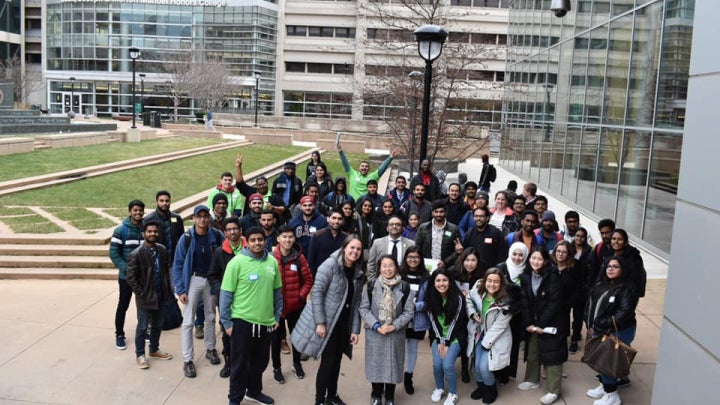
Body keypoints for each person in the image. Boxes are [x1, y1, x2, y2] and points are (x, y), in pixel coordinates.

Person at [291, 236, 365, 405]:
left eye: (358, 249)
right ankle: (319, 401)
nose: (354, 252)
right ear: (344, 248)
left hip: (343, 324)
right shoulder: (330, 265)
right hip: (328, 323)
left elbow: (356, 303)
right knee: (328, 362)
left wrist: (355, 329)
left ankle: (332, 396)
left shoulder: (358, 271)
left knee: (337, 361)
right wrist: (320, 322)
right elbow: (316, 293)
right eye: (352, 248)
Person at [219, 227, 282, 405]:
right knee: (239, 364)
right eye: (253, 240)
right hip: (242, 322)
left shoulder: (272, 262)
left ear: (265, 241)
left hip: (266, 322)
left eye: (260, 240)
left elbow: (277, 291)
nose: (257, 243)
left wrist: (277, 316)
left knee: (260, 361)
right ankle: (235, 399)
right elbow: (225, 294)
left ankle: (254, 392)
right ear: (248, 241)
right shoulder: (237, 263)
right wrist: (226, 322)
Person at [173, 205, 225, 378]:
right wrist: (180, 288)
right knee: (188, 321)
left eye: (205, 216)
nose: (203, 219)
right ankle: (188, 360)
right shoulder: (187, 238)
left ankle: (210, 349)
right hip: (193, 280)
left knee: (210, 316)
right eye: (199, 216)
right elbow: (178, 263)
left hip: (211, 280)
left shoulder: (216, 235)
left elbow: (226, 253)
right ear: (194, 218)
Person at [360, 255, 416, 405]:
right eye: (384, 266)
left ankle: (390, 397)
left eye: (390, 265)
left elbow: (409, 312)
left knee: (393, 366)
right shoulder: (372, 285)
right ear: (379, 268)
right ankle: (376, 395)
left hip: (395, 334)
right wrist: (377, 326)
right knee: (376, 365)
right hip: (375, 333)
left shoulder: (404, 286)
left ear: (396, 267)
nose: (387, 269)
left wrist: (395, 325)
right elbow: (364, 309)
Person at [584, 256, 639, 405]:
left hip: (619, 330)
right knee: (601, 359)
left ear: (623, 269)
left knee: (608, 362)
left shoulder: (627, 288)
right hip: (601, 329)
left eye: (615, 266)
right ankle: (604, 386)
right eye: (608, 266)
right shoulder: (602, 283)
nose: (610, 269)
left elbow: (624, 312)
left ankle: (612, 395)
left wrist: (602, 322)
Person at [517, 249, 567, 405]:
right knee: (532, 352)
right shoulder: (525, 277)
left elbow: (554, 304)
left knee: (552, 356)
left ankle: (553, 390)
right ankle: (532, 380)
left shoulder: (553, 277)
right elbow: (524, 302)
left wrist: (540, 325)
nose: (535, 261)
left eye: (539, 259)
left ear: (545, 261)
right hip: (534, 323)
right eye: (533, 258)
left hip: (552, 323)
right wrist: (529, 323)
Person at [126, 220, 174, 369]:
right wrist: (141, 293)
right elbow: (131, 277)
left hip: (161, 295)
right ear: (143, 234)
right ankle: (140, 355)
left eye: (155, 231)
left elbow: (166, 271)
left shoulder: (162, 250)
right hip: (145, 298)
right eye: (149, 231)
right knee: (142, 327)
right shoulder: (137, 254)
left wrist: (168, 290)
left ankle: (154, 349)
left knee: (158, 325)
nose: (153, 234)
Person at [270, 225, 313, 384]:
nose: (287, 240)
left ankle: (296, 364)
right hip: (276, 309)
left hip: (295, 306)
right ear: (278, 239)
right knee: (275, 341)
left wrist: (300, 296)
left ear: (294, 239)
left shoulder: (299, 257)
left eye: (290, 237)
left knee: (296, 338)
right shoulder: (270, 258)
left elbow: (308, 280)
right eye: (284, 237)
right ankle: (277, 368)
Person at [466, 268, 513, 403]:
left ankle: (491, 389)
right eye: (489, 281)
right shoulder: (477, 290)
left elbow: (499, 327)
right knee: (476, 367)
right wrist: (472, 313)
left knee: (484, 367)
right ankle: (481, 387)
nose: (492, 284)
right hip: (479, 333)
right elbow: (468, 299)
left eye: (496, 282)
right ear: (485, 281)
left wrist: (485, 344)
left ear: (501, 284)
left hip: (496, 338)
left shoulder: (506, 301)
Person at [208, 217, 245, 378]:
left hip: (245, 299)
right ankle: (229, 362)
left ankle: (243, 362)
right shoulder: (219, 252)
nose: (232, 232)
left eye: (235, 228)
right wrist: (221, 291)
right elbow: (213, 275)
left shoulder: (248, 249)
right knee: (227, 331)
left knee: (244, 332)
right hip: (226, 300)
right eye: (229, 229)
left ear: (240, 230)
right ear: (225, 233)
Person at [426, 268, 466, 405]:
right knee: (437, 365)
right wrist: (440, 341)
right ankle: (439, 388)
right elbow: (433, 322)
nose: (441, 284)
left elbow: (456, 323)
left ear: (450, 282)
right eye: (438, 280)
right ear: (433, 283)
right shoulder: (430, 297)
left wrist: (446, 343)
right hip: (438, 337)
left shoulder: (458, 298)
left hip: (455, 337)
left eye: (444, 280)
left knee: (448, 365)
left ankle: (453, 393)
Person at [109, 199, 145, 350]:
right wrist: (127, 269)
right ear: (130, 212)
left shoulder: (146, 228)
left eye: (140, 210)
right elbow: (114, 253)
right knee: (123, 305)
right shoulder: (121, 230)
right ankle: (119, 334)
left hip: (143, 276)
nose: (138, 213)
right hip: (126, 277)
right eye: (135, 210)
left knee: (143, 306)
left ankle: (144, 332)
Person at [494, 242, 529, 384]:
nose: (517, 258)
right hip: (499, 313)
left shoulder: (527, 271)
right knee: (497, 342)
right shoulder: (500, 268)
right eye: (514, 254)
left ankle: (506, 374)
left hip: (517, 315)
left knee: (512, 345)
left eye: (521, 255)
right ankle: (495, 370)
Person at [448, 247, 484, 384]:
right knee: (455, 339)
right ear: (462, 261)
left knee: (467, 339)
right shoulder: (453, 272)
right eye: (467, 260)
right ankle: (449, 365)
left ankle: (465, 368)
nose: (470, 264)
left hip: (471, 312)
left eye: (473, 260)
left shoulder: (481, 275)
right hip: (454, 310)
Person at [399, 247, 431, 395]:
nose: (413, 259)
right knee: (397, 347)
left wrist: (415, 306)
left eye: (416, 257)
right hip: (399, 319)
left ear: (421, 259)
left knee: (412, 348)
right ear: (405, 258)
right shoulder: (398, 274)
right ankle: (395, 374)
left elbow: (430, 301)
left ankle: (408, 376)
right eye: (410, 256)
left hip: (417, 319)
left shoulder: (426, 276)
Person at [551, 241, 582, 354]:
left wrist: (570, 302)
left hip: (566, 304)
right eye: (558, 251)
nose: (560, 254)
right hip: (550, 304)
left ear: (569, 254)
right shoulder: (549, 266)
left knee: (562, 331)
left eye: (564, 252)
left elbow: (579, 287)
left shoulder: (575, 267)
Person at [235, 155, 287, 219]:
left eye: (263, 184)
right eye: (259, 185)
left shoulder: (274, 197)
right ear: (256, 186)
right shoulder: (250, 192)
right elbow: (240, 183)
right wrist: (238, 166)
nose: (261, 186)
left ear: (267, 183)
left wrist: (273, 208)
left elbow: (284, 210)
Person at [414, 199, 461, 269]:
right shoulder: (423, 228)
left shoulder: (453, 229)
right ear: (432, 213)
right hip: (426, 266)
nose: (439, 214)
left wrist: (445, 262)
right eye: (436, 212)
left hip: (446, 267)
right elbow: (417, 247)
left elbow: (456, 250)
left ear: (445, 212)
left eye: (441, 212)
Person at [367, 215, 415, 282]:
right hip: (381, 282)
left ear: (403, 228)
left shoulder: (411, 244)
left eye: (397, 224)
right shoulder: (377, 243)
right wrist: (372, 281)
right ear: (387, 228)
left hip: (403, 282)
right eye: (391, 224)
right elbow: (371, 263)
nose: (394, 226)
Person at [604, 229, 647, 299]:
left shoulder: (633, 257)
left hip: (626, 294)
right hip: (610, 291)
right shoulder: (609, 254)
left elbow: (635, 278)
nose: (616, 242)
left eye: (620, 239)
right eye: (614, 239)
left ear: (625, 242)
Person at [143, 190, 184, 262]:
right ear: (157, 202)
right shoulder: (148, 220)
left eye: (167, 201)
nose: (164, 203)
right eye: (161, 201)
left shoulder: (177, 218)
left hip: (174, 260)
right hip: (155, 260)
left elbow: (181, 238)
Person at [307, 208, 347, 276]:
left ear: (342, 221)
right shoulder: (317, 236)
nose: (336, 221)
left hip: (339, 276)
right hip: (320, 276)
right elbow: (311, 260)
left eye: (339, 219)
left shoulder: (346, 238)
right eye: (334, 218)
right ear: (328, 219)